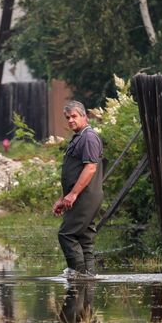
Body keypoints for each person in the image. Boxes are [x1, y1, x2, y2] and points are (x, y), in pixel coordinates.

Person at [52, 100, 103, 277]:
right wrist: (63, 197)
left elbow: (90, 168)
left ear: (84, 116)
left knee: (66, 234)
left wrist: (73, 195)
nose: (70, 120)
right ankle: (89, 278)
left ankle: (78, 275)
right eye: (67, 117)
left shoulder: (88, 137)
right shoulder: (79, 137)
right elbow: (73, 173)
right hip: (81, 195)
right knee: (85, 239)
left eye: (74, 116)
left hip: (85, 196)